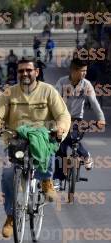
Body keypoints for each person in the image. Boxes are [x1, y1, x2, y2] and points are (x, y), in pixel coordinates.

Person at [0, 57, 71, 238]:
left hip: (42, 136)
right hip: (17, 140)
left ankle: (46, 180)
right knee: (8, 174)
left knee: (45, 149)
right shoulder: (10, 93)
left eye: (28, 70)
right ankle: (10, 216)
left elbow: (63, 115)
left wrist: (60, 128)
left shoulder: (48, 91)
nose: (24, 73)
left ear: (36, 72)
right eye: (21, 71)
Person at [53, 58, 105, 188]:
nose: (84, 73)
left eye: (85, 71)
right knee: (59, 146)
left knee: (72, 137)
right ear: (73, 71)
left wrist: (101, 119)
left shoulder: (86, 85)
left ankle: (85, 155)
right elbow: (54, 102)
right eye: (82, 71)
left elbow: (94, 103)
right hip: (61, 118)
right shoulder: (62, 82)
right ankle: (58, 178)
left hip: (77, 119)